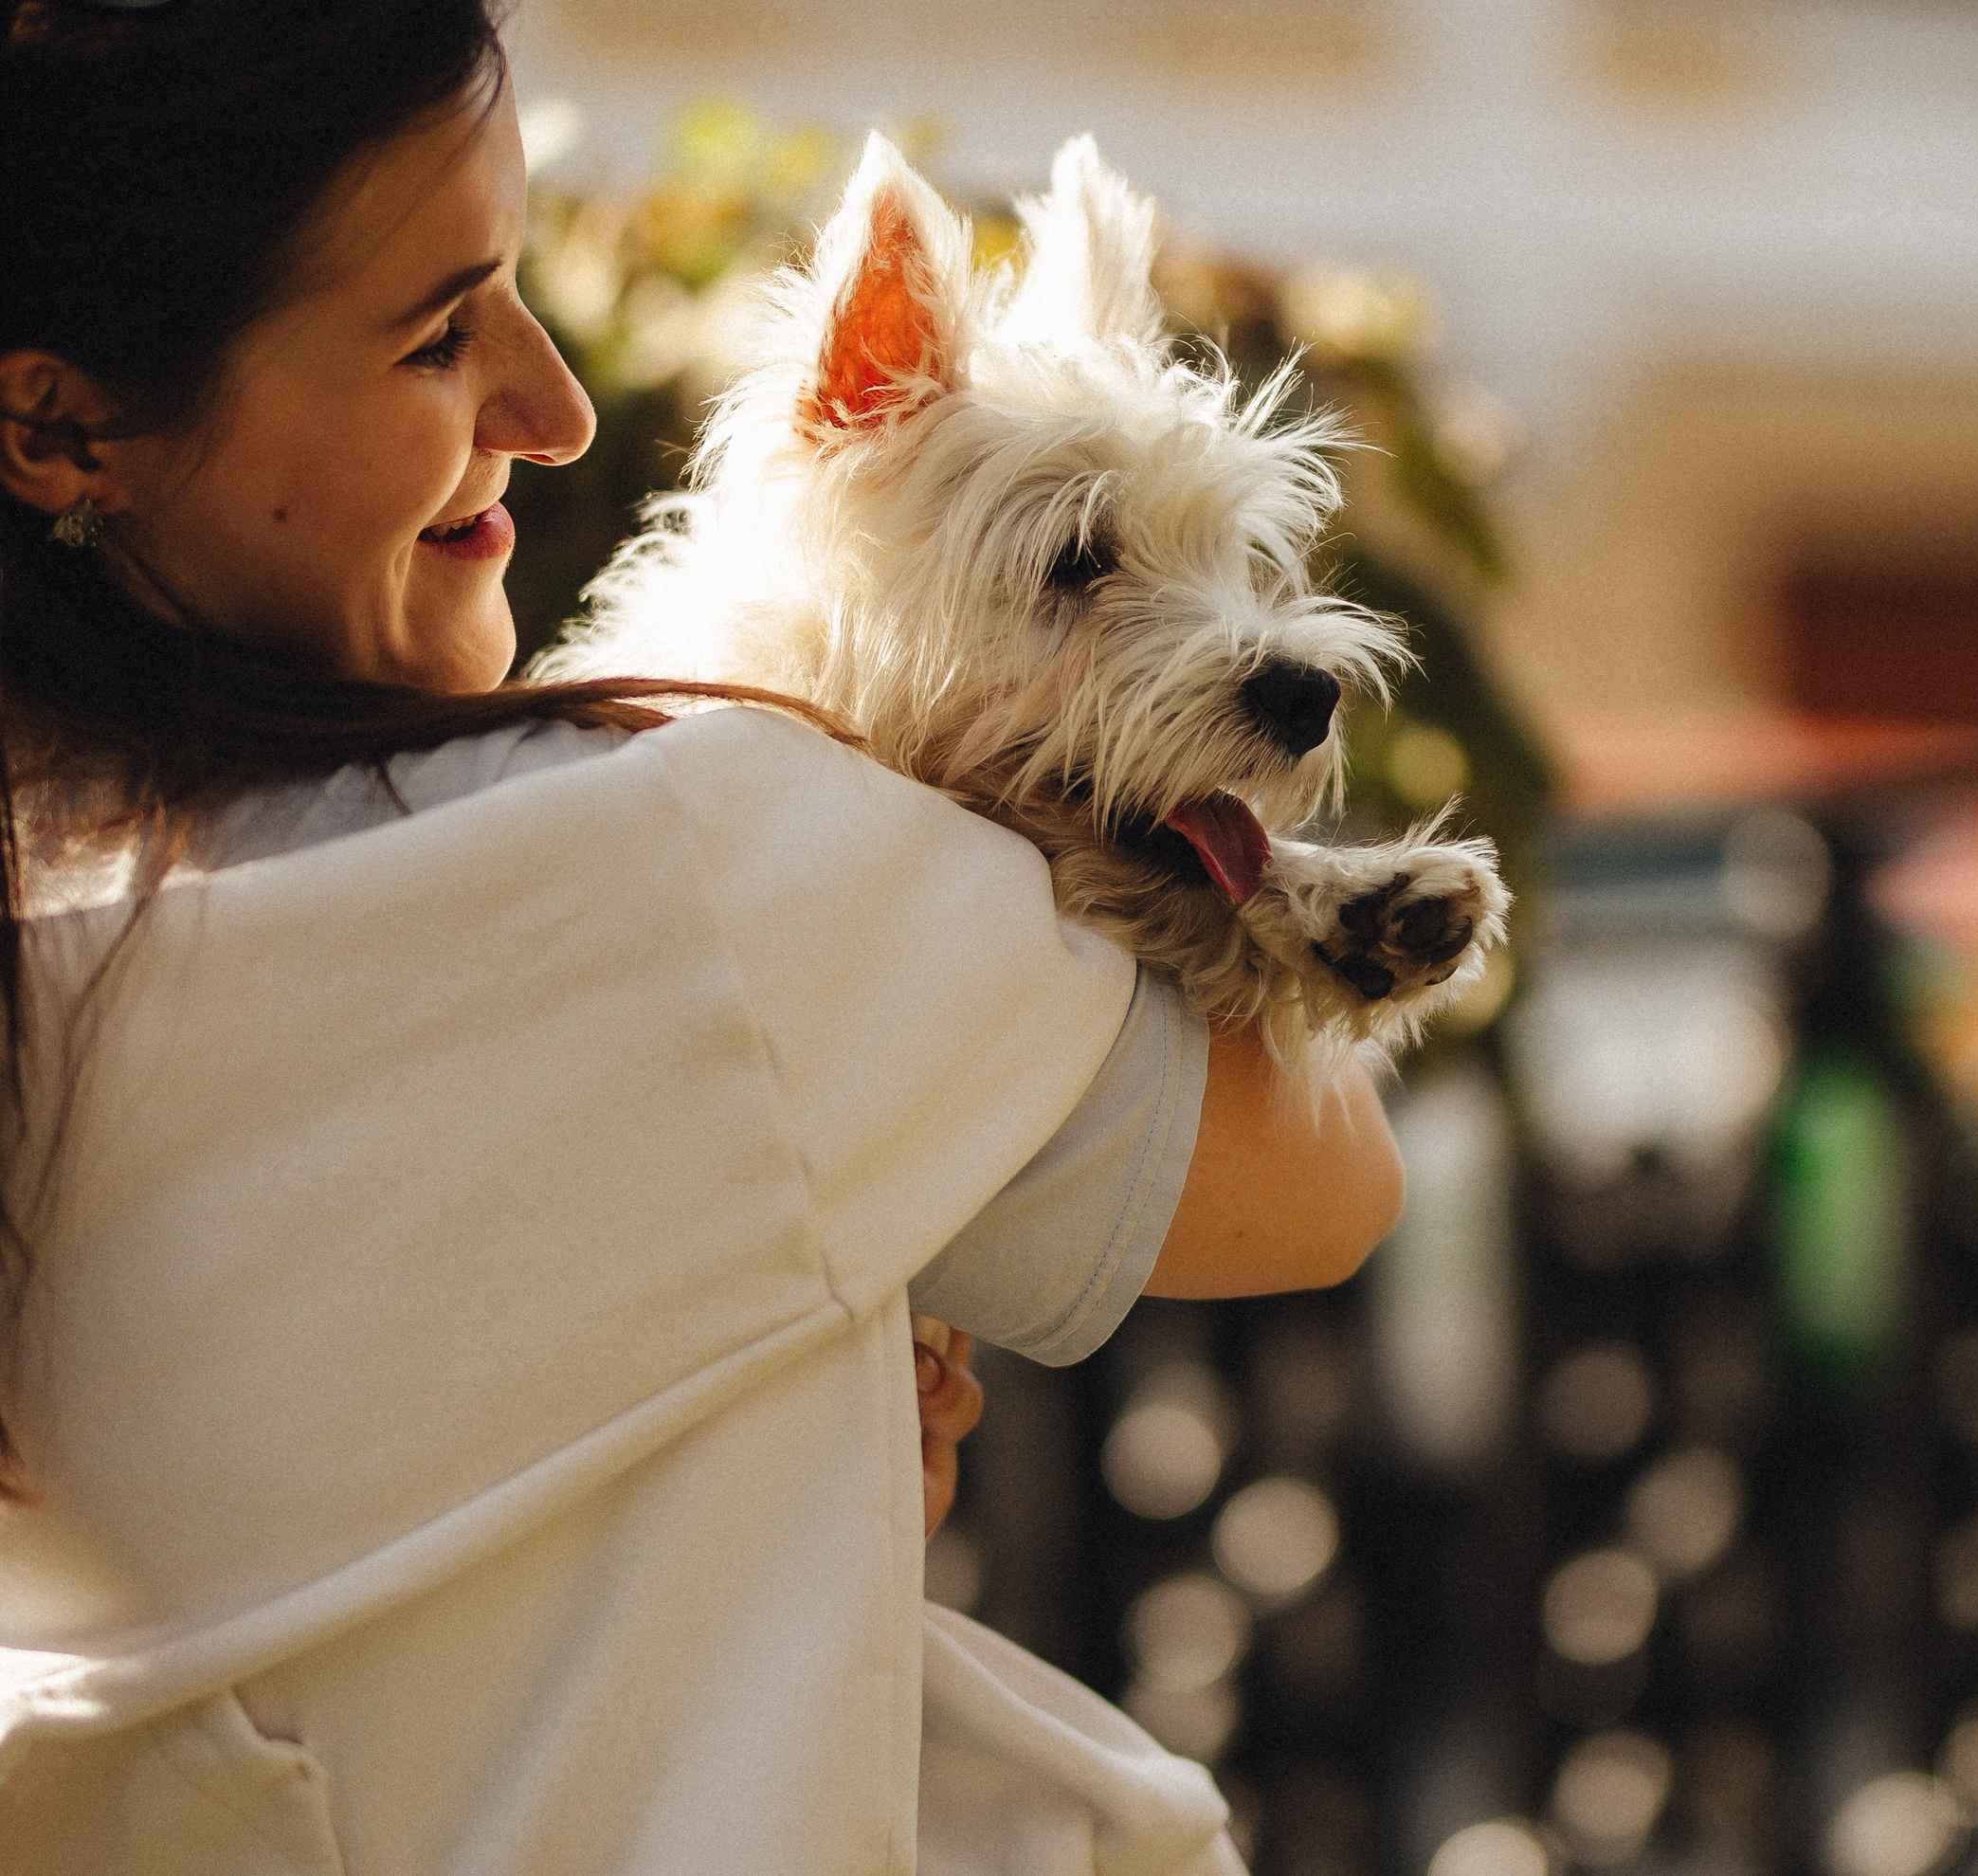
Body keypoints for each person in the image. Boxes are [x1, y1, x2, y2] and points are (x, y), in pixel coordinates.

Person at [0, 2, 1403, 1869]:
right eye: (438, 333)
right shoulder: (698, 857)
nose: (558, 408)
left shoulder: (51, 953)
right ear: (54, 425)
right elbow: (1322, 1180)